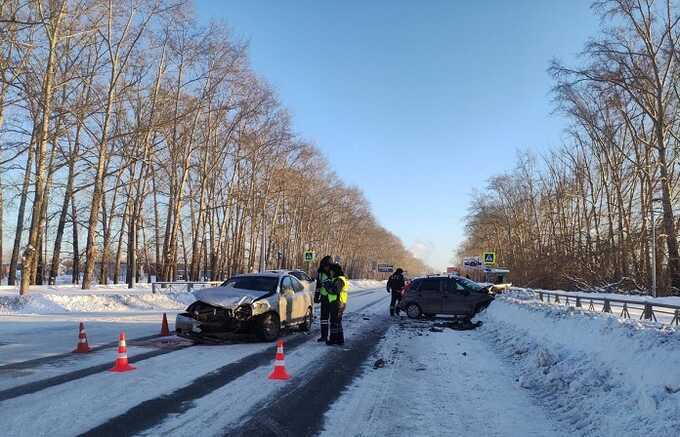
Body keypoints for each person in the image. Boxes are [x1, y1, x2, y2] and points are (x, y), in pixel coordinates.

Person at [325, 263, 349, 345]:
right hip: (339, 302)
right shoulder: (340, 279)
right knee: (337, 322)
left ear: (335, 271)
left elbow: (335, 290)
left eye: (331, 271)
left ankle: (333, 339)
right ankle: (339, 339)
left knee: (334, 322)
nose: (330, 273)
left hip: (337, 303)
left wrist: (327, 286)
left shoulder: (339, 280)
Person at [315, 255, 333, 342]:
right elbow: (318, 286)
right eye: (324, 266)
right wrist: (316, 296)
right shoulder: (320, 273)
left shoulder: (334, 272)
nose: (325, 268)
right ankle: (324, 336)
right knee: (323, 319)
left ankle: (333, 337)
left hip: (333, 299)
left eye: (327, 266)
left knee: (333, 319)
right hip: (324, 298)